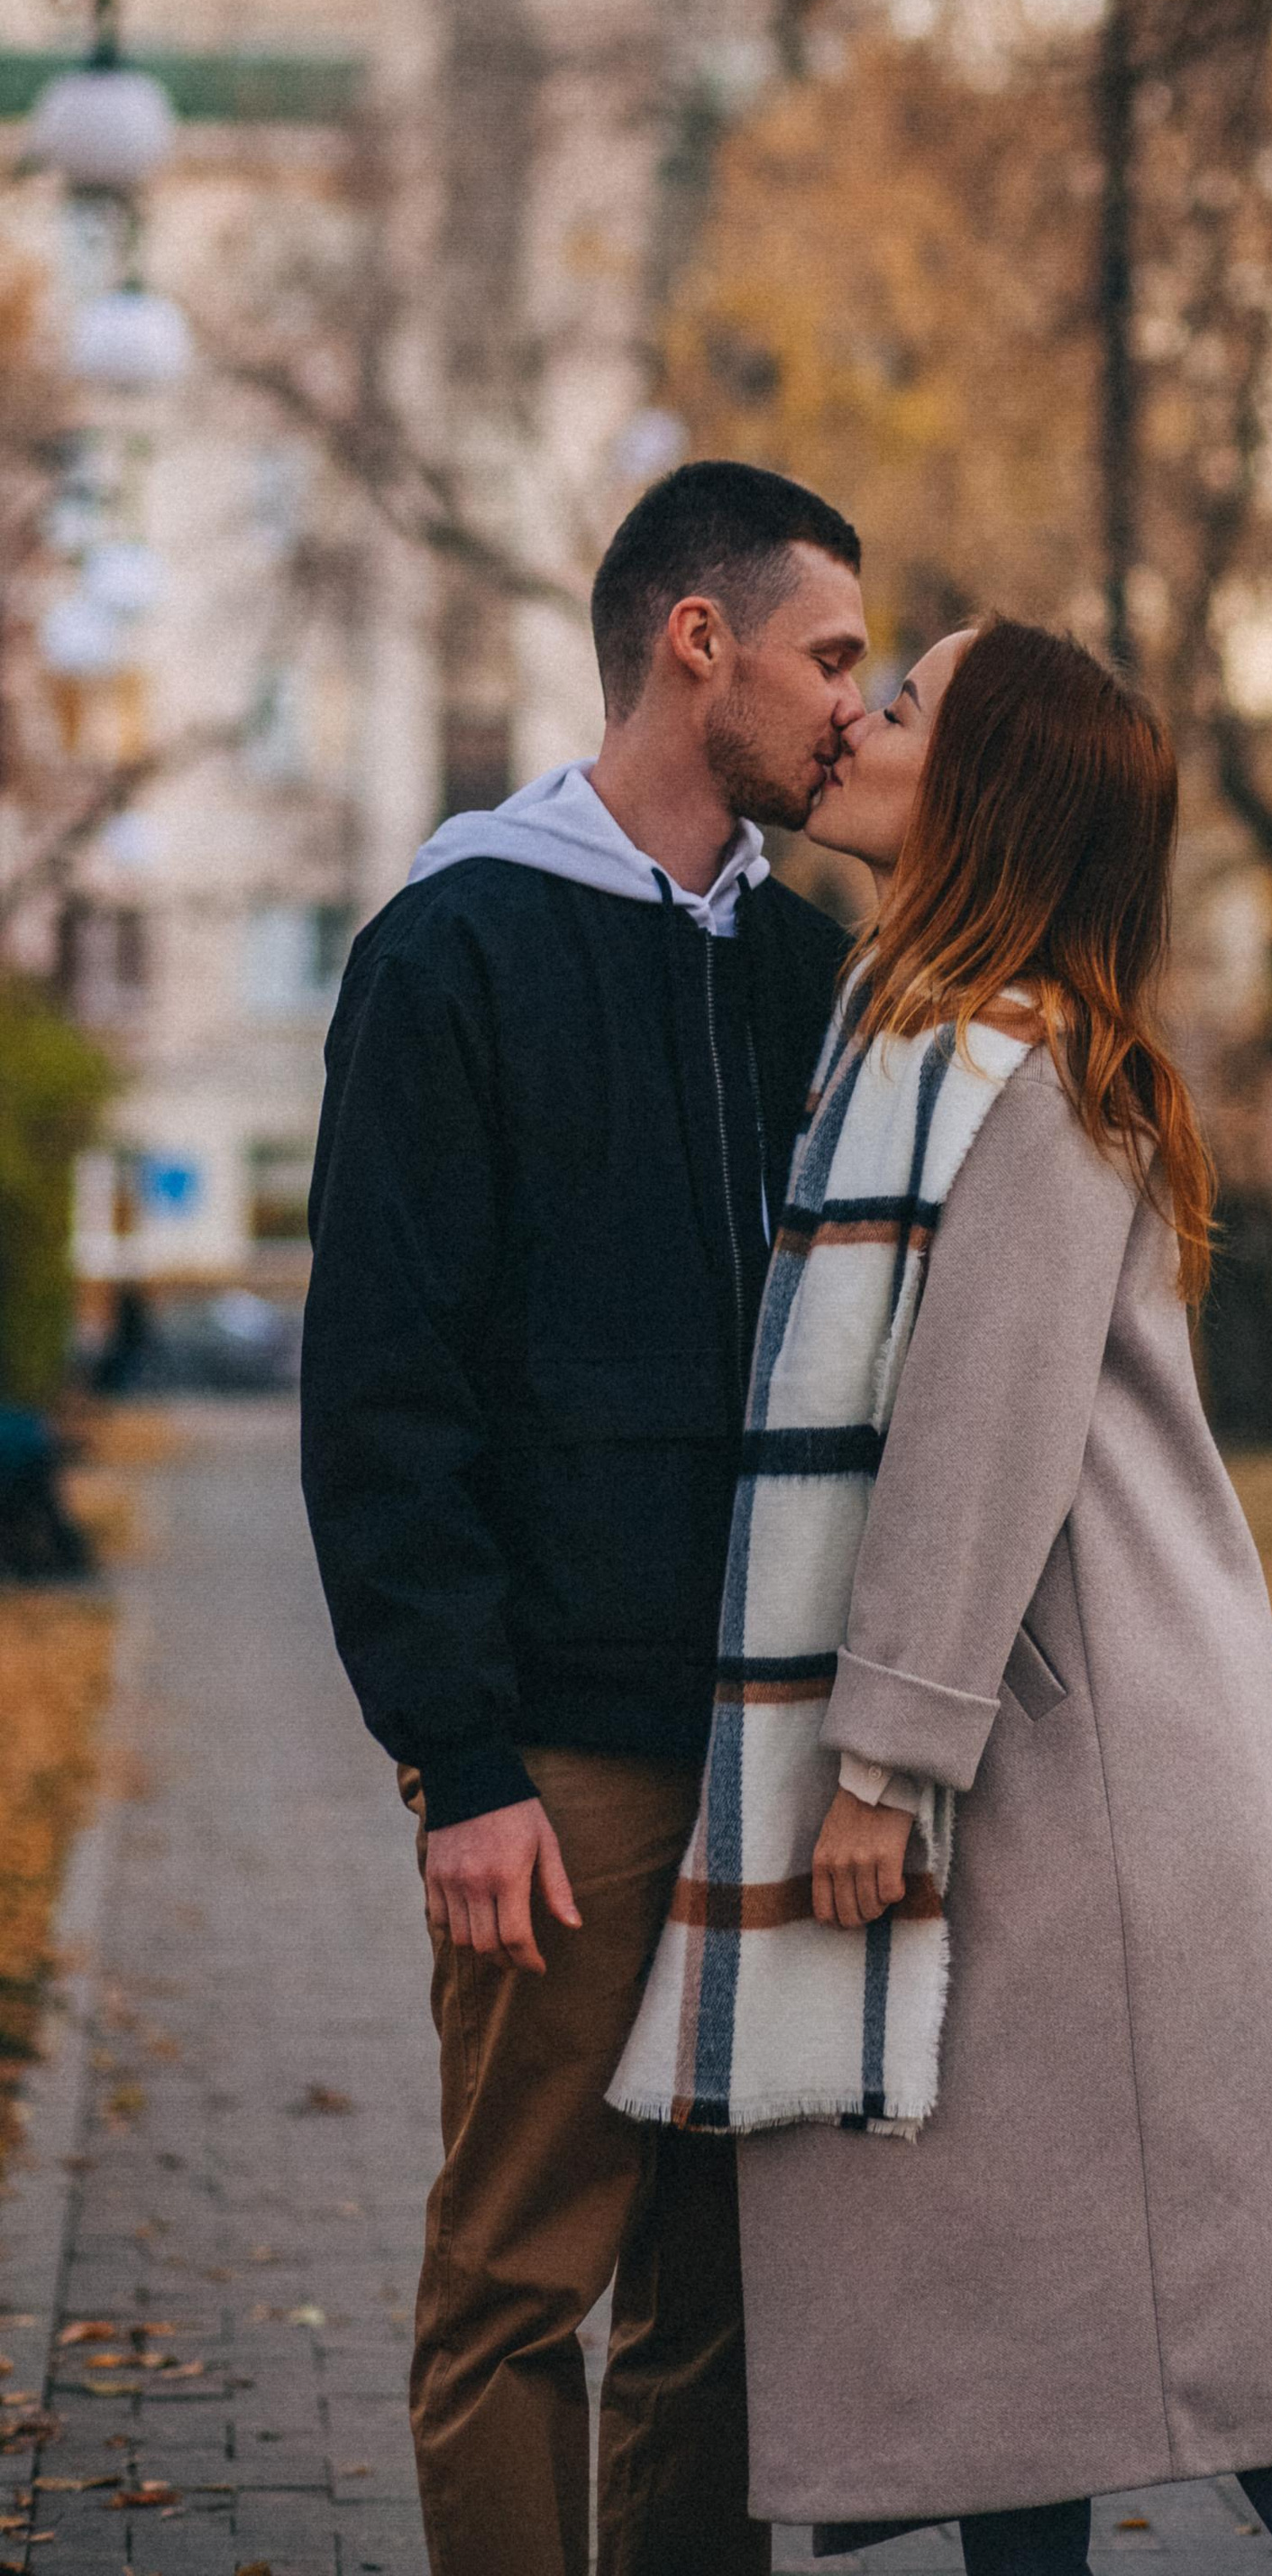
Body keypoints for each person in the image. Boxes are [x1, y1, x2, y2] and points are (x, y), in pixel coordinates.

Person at [625, 618, 1272, 2576]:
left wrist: (879, 1768)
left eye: (896, 704)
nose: (853, 720)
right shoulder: (917, 1040)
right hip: (1038, 1758)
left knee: (1261, 2331)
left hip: (1084, 1788)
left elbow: (972, 1440)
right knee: (1017, 2341)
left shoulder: (1023, 1073)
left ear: (975, 787)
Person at [299, 461, 870, 2576]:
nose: (849, 706)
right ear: (690, 644)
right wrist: (459, 1761)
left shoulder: (798, 975)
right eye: (827, 656)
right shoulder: (452, 946)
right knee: (519, 2286)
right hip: (568, 1765)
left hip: (776, 1762)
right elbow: (383, 1390)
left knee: (718, 2314)